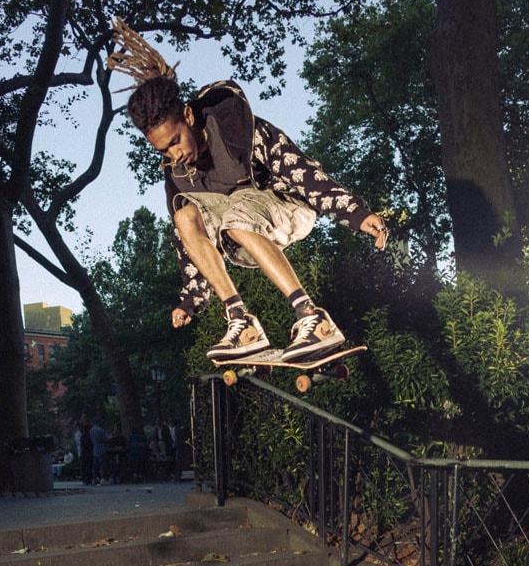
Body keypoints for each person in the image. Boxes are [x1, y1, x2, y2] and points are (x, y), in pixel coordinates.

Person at [107, 20, 389, 362]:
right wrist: (191, 299)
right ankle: (241, 322)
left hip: (289, 208)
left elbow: (300, 171)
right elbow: (187, 240)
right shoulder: (176, 172)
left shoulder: (238, 130)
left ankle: (311, 316)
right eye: (164, 150)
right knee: (184, 216)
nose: (175, 154)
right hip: (242, 228)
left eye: (176, 141)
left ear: (188, 116)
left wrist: (355, 213)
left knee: (236, 213)